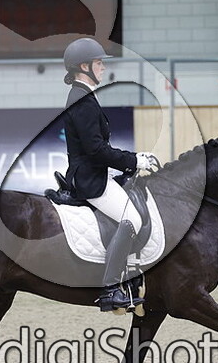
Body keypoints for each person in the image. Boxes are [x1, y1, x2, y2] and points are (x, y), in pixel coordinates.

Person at [61, 37, 159, 312]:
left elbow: (95, 149)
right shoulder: (82, 100)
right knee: (131, 218)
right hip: (89, 179)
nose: (103, 67)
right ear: (84, 67)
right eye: (98, 63)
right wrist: (134, 160)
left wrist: (127, 162)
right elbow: (95, 150)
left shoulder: (83, 96)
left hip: (93, 171)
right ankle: (111, 289)